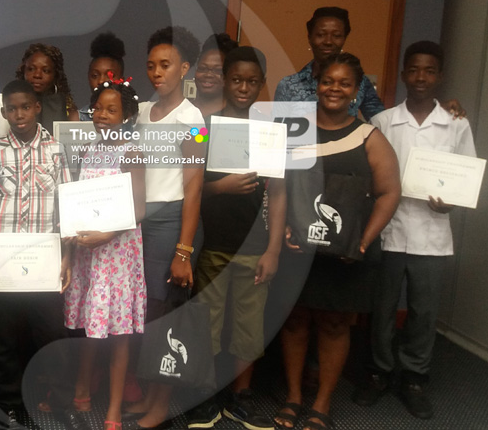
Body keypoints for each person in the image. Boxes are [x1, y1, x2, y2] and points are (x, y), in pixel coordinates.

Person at [274, 53, 401, 430]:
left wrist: (362, 241)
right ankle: (294, 396)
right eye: (328, 81)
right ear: (317, 85)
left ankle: (323, 402)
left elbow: (390, 192)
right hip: (297, 247)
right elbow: (277, 184)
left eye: (345, 83)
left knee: (334, 324)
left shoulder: (369, 137)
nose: (334, 89)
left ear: (357, 90)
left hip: (346, 252)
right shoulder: (295, 130)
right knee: (295, 320)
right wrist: (284, 227)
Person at [352, 41, 476, 419]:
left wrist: (452, 201)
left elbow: (467, 174)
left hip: (432, 233)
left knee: (423, 311)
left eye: (429, 71)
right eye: (415, 70)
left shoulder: (456, 123)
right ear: (404, 74)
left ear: (440, 77)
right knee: (383, 307)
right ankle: (379, 372)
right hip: (389, 230)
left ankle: (414, 377)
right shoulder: (383, 121)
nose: (421, 77)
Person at [184, 47, 285, 430]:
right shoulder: (202, 126)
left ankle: (241, 398)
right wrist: (221, 186)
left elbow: (279, 193)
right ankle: (204, 396)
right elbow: (187, 186)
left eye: (252, 81)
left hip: (255, 247)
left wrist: (274, 249)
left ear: (262, 85)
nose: (244, 87)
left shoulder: (270, 131)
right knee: (206, 325)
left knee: (249, 328)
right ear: (225, 80)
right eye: (237, 80)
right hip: (211, 245)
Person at [0, 79, 74, 427]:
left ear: (37, 108)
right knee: (2, 336)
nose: (19, 115)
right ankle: (8, 402)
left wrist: (67, 256)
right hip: (2, 257)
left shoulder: (55, 150)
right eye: (12, 109)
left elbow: (67, 205)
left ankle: (59, 401)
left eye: (25, 107)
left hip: (44, 259)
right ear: (3, 112)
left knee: (51, 334)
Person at [126, 26, 205, 429]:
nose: (156, 73)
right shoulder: (140, 112)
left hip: (174, 223)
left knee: (165, 317)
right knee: (148, 313)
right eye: (151, 65)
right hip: (140, 222)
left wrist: (183, 250)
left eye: (166, 65)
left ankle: (161, 404)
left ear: (185, 68)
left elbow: (195, 188)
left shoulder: (194, 119)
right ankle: (148, 396)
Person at [64, 78, 147, 430]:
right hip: (89, 253)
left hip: (117, 252)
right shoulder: (87, 150)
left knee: (118, 334)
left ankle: (113, 408)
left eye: (111, 110)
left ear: (126, 116)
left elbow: (139, 209)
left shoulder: (132, 152)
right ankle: (81, 389)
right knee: (89, 326)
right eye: (98, 108)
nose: (102, 115)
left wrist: (106, 235)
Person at [273, 7, 385, 120]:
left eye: (336, 36)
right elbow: (278, 126)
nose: (328, 42)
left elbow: (381, 120)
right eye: (321, 35)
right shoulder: (289, 85)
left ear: (344, 39)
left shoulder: (359, 82)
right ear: (310, 38)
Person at [16, 43, 79, 131]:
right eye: (31, 69)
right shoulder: (11, 103)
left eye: (45, 71)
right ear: (23, 71)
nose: (37, 75)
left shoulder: (68, 110)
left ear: (55, 75)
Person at [78, 32, 126, 120]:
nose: (101, 81)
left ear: (121, 80)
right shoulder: (79, 118)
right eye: (95, 75)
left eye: (110, 75)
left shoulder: (136, 118)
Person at [192, 33, 238, 119]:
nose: (208, 75)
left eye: (218, 70)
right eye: (202, 68)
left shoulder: (237, 117)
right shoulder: (181, 110)